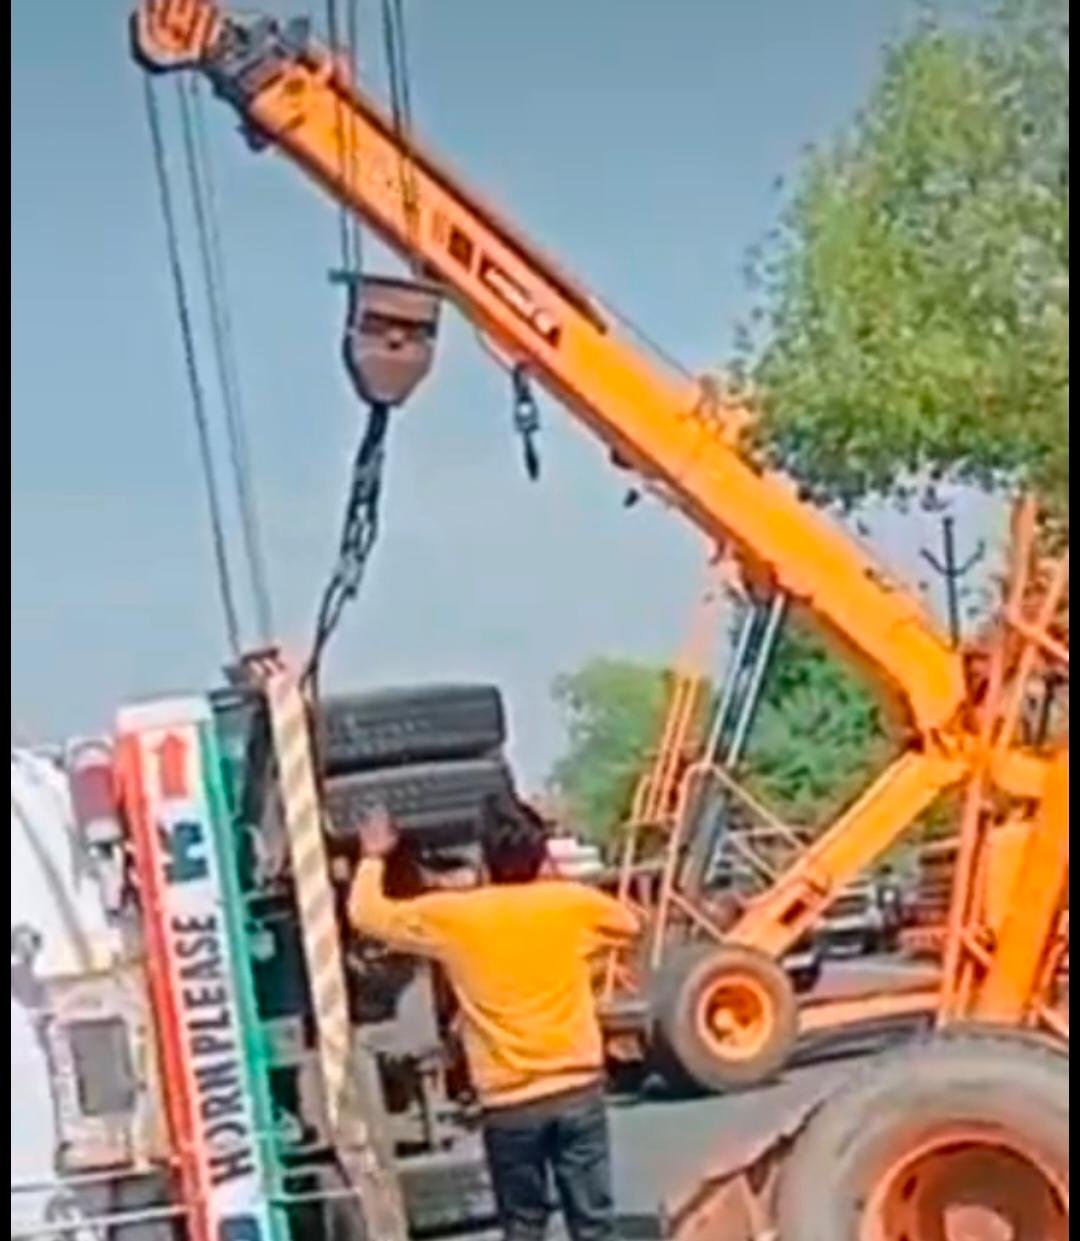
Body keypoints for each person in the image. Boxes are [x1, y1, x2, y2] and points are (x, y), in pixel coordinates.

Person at [348, 794, 640, 1241]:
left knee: (524, 1228)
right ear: (539, 853)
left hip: (509, 1106)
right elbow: (629, 925)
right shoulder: (573, 906)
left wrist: (373, 858)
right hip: (577, 1091)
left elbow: (366, 915)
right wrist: (551, 879)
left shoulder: (455, 918)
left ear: (485, 854)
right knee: (595, 1226)